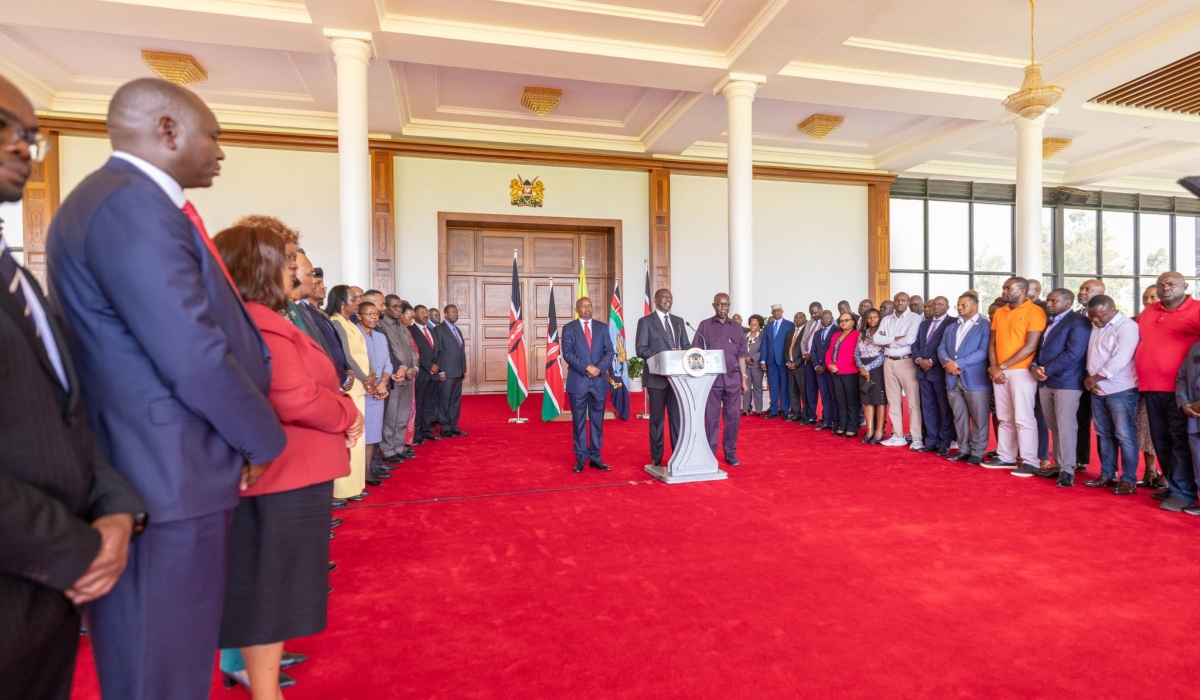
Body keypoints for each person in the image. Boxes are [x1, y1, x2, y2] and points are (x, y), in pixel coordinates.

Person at [46, 77, 287, 700]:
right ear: (167, 130)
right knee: (160, 670)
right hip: (164, 478)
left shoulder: (135, 203)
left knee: (172, 664)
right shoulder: (128, 204)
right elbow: (192, 352)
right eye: (214, 136)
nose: (221, 151)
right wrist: (262, 439)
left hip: (172, 471)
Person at [0, 74, 145, 700]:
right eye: (3, 127)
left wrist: (115, 508)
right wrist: (73, 547)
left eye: (31, 136)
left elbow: (70, 410)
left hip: (47, 600)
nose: (21, 147)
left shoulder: (19, 277)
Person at [212, 225, 361, 699]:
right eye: (292, 257)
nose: (300, 267)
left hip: (293, 471)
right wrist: (346, 411)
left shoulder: (270, 315)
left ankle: (263, 680)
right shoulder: (260, 320)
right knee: (267, 591)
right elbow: (293, 397)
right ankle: (262, 689)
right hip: (283, 473)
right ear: (263, 267)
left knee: (274, 594)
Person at [1136, 272, 1200, 512]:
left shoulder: (1196, 309)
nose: (1165, 288)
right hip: (1151, 387)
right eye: (1161, 284)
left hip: (1182, 391)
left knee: (1180, 442)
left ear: (1185, 286)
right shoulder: (1150, 311)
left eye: (1171, 284)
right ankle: (1174, 485)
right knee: (1161, 441)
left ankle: (1184, 492)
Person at [1027, 289, 1091, 487]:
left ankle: (1067, 470)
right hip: (1046, 380)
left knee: (1066, 426)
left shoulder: (1078, 321)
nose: (1050, 304)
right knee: (1054, 426)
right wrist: (1034, 366)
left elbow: (1074, 352)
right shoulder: (1049, 321)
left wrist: (1046, 369)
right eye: (1048, 300)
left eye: (1055, 301)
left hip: (1067, 382)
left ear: (1068, 302)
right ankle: (1058, 464)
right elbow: (1040, 348)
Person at [985, 278, 1047, 473]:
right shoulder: (1000, 312)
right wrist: (995, 368)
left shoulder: (1035, 311)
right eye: (1003, 287)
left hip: (1022, 371)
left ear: (1021, 291)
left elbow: (1030, 346)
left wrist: (1002, 366)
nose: (1004, 291)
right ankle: (1006, 457)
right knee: (1004, 417)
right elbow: (992, 343)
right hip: (1000, 372)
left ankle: (1030, 461)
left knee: (1024, 417)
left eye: (1008, 288)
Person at [1083, 296, 1141, 494]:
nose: (1095, 320)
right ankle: (1107, 474)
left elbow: (1120, 358)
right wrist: (1091, 379)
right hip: (1097, 389)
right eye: (1091, 317)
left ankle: (1128, 479)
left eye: (1099, 316)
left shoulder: (1127, 327)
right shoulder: (1098, 326)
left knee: (1124, 436)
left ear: (1112, 309)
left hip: (1121, 390)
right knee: (1103, 435)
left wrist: (1094, 379)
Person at [325, 285, 373, 496]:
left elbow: (363, 352)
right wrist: (365, 378)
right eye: (354, 299)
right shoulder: (336, 321)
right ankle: (345, 489)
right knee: (351, 435)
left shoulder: (349, 322)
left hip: (360, 385)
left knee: (359, 436)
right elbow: (347, 357)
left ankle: (356, 485)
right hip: (351, 386)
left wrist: (370, 375)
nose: (358, 302)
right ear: (342, 302)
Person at [635, 288, 691, 468]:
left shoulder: (679, 322)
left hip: (678, 380)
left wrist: (684, 352)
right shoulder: (645, 322)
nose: (669, 300)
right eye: (665, 297)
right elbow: (641, 349)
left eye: (671, 297)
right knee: (657, 420)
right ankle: (657, 457)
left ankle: (677, 456)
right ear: (656, 300)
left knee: (677, 419)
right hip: (656, 379)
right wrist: (665, 355)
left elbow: (686, 345)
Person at [693, 293, 751, 465]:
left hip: (733, 380)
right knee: (711, 418)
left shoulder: (737, 327)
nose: (723, 308)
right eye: (719, 305)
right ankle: (710, 453)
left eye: (725, 305)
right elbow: (696, 353)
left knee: (733, 418)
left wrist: (744, 379)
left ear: (729, 306)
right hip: (711, 381)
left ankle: (730, 452)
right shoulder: (704, 326)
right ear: (714, 306)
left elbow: (741, 356)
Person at [562, 297, 615, 472]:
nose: (588, 308)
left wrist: (598, 368)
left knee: (597, 421)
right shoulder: (569, 328)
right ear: (577, 309)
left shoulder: (602, 328)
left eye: (590, 305)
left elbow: (609, 351)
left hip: (598, 382)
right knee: (578, 422)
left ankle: (595, 457)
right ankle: (580, 458)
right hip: (578, 381)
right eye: (584, 306)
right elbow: (568, 353)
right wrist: (586, 367)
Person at [939, 293, 991, 465]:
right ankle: (963, 449)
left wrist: (958, 364)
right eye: (958, 305)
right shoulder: (952, 327)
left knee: (979, 418)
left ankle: (977, 451)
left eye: (963, 305)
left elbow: (983, 352)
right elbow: (942, 348)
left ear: (975, 306)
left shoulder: (985, 325)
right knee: (959, 416)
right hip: (952, 378)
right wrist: (948, 364)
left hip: (975, 379)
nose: (959, 308)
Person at [873, 291, 923, 448]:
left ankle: (916, 438)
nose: (899, 302)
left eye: (903, 300)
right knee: (893, 401)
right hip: (888, 362)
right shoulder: (887, 319)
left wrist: (887, 341)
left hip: (906, 362)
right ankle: (897, 435)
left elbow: (910, 339)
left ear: (908, 303)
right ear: (894, 303)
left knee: (913, 402)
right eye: (897, 300)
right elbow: (876, 339)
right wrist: (895, 339)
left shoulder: (914, 318)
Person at [380, 297, 419, 464]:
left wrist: (414, 368)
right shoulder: (382, 326)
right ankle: (388, 450)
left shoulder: (403, 327)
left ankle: (398, 446)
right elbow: (389, 353)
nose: (398, 309)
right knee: (391, 416)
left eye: (400, 307)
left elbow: (411, 351)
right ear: (386, 307)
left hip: (408, 377)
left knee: (403, 416)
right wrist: (401, 368)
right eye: (394, 306)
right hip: (395, 377)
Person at [913, 296, 954, 455]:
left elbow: (949, 348)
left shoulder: (952, 323)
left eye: (940, 304)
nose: (936, 307)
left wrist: (930, 361)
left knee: (944, 409)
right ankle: (931, 440)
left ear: (947, 306)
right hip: (923, 373)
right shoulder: (924, 324)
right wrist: (919, 360)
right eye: (934, 305)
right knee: (928, 408)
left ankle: (944, 442)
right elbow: (915, 345)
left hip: (939, 372)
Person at [358, 301, 392, 478]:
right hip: (361, 391)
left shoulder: (381, 337)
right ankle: (358, 475)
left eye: (375, 314)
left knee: (372, 433)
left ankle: (367, 472)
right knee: (358, 434)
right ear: (359, 315)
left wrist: (384, 381)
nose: (373, 317)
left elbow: (388, 363)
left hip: (379, 391)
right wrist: (370, 384)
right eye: (368, 313)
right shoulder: (354, 334)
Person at [1075, 278, 1105, 471]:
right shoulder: (1076, 316)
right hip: (1078, 376)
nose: (1083, 292)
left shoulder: (1107, 317)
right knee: (1080, 419)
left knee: (1104, 426)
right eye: (1081, 288)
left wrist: (1096, 376)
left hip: (1102, 379)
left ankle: (1108, 469)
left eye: (1088, 289)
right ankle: (1079, 460)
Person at [1135, 285, 1162, 487]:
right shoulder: (1140, 320)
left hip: (1168, 385)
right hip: (1143, 384)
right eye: (1145, 298)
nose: (1148, 301)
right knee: (1145, 429)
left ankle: (1169, 475)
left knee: (1166, 432)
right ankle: (1149, 471)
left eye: (1153, 297)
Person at [825, 312, 861, 438]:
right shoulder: (836, 335)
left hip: (850, 372)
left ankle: (852, 427)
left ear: (853, 322)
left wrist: (838, 366)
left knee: (851, 401)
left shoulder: (858, 335)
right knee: (840, 400)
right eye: (841, 321)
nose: (843, 323)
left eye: (846, 320)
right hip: (835, 372)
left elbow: (855, 354)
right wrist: (829, 364)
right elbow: (829, 352)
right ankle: (842, 425)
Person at [434, 304, 468, 437]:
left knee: (455, 400)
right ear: (446, 315)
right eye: (451, 312)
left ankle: (453, 425)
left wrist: (463, 369)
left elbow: (460, 351)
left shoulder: (457, 330)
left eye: (456, 311)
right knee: (444, 400)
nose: (455, 314)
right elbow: (439, 351)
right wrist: (441, 371)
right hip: (446, 372)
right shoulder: (439, 329)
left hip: (458, 371)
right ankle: (445, 427)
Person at [409, 304, 441, 444]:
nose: (425, 315)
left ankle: (427, 431)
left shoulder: (432, 330)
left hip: (434, 374)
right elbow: (415, 352)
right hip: (421, 373)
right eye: (421, 312)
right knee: (419, 405)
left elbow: (439, 351)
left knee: (430, 404)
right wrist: (429, 366)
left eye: (426, 312)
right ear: (415, 314)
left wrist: (437, 366)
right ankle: (416, 434)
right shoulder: (410, 330)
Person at [855, 309, 887, 443]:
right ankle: (869, 430)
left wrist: (868, 368)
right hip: (862, 368)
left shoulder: (883, 333)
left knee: (879, 400)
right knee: (867, 400)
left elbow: (884, 353)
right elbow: (856, 352)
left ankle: (879, 431)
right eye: (869, 317)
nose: (872, 319)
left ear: (879, 318)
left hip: (878, 368)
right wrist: (861, 367)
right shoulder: (862, 334)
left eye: (875, 316)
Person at [761, 303, 794, 418]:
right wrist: (763, 360)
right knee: (773, 386)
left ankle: (785, 410)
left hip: (783, 360)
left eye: (778, 311)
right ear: (772, 313)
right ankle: (774, 410)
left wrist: (790, 359)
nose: (776, 313)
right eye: (774, 311)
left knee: (784, 386)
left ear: (782, 311)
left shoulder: (790, 325)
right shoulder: (768, 326)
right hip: (771, 361)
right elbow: (764, 343)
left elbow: (792, 343)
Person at [811, 310, 838, 431]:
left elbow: (836, 351)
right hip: (819, 371)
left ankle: (836, 422)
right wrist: (817, 366)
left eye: (827, 317)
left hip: (832, 370)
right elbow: (813, 351)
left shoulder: (837, 331)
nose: (825, 320)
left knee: (834, 397)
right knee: (825, 397)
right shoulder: (817, 333)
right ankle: (826, 421)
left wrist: (827, 366)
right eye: (823, 318)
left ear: (832, 318)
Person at [800, 302, 824, 424]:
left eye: (815, 312)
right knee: (810, 389)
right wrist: (805, 354)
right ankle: (811, 415)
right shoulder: (808, 323)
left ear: (821, 310)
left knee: (824, 391)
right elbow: (803, 341)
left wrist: (812, 356)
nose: (813, 315)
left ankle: (826, 417)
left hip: (820, 363)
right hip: (808, 361)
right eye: (811, 313)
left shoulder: (828, 322)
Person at [784, 311, 808, 424]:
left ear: (805, 319)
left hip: (801, 367)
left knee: (804, 392)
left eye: (800, 317)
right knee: (792, 391)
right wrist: (788, 361)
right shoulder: (790, 332)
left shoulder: (806, 332)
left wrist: (797, 363)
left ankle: (805, 414)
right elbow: (786, 349)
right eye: (796, 317)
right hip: (790, 366)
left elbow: (806, 350)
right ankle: (796, 413)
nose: (798, 319)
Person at [743, 314, 765, 416]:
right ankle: (746, 408)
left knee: (757, 387)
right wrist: (745, 358)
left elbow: (763, 351)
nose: (752, 326)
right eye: (751, 324)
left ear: (759, 326)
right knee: (746, 386)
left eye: (755, 324)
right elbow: (739, 349)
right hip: (744, 365)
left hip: (756, 365)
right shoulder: (744, 336)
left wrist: (752, 358)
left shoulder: (762, 337)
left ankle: (759, 408)